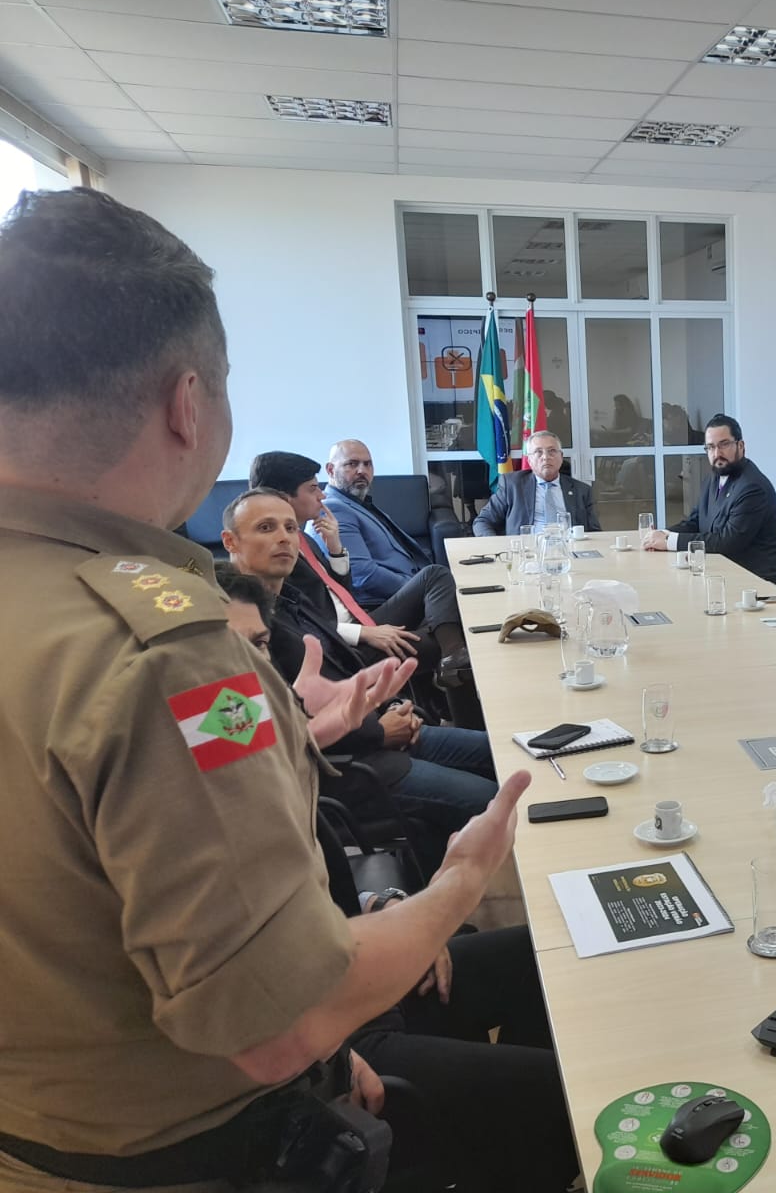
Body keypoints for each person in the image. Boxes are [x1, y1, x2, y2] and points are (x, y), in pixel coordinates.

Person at [0, 186, 527, 1190]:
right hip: (192, 1157)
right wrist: (462, 881)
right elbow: (277, 1029)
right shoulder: (160, 652)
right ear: (187, 403)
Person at [219, 570, 578, 1192]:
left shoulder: (255, 758)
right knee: (565, 1087)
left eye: (255, 646)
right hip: (331, 1036)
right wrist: (452, 890)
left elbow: (322, 891)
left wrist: (395, 910)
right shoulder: (192, 802)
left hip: (348, 979)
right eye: (229, 650)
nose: (252, 671)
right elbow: (235, 994)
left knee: (543, 955)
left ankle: (513, 1149)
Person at [222, 491, 498, 828]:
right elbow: (259, 737)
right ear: (231, 542)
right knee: (494, 796)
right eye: (266, 528)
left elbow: (347, 667)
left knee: (504, 753)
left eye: (291, 528)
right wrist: (380, 732)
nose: (283, 537)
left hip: (383, 732)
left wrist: (392, 706)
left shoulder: (291, 597)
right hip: (356, 767)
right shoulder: (240, 626)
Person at [249, 450, 476, 724]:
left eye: (368, 463)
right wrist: (365, 633)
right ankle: (467, 723)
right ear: (285, 498)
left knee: (437, 586)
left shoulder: (303, 537)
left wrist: (335, 549)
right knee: (451, 638)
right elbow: (304, 624)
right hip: (344, 647)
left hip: (355, 621)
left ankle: (448, 681)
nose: (321, 495)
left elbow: (339, 591)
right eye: (312, 489)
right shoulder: (277, 555)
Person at [642, 413, 776, 583]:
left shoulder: (752, 487)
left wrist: (669, 542)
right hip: (724, 572)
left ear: (740, 446)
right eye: (710, 447)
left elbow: (727, 542)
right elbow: (695, 521)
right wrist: (663, 533)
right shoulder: (713, 478)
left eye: (724, 445)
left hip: (758, 580)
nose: (717, 453)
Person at [323, 437, 461, 608]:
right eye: (352, 464)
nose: (362, 470)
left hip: (412, 584)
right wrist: (418, 588)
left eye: (368, 464)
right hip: (381, 603)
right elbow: (363, 575)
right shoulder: (333, 509)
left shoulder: (356, 503)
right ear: (330, 470)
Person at [472, 430, 601, 537]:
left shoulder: (581, 490)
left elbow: (595, 533)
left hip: (568, 550)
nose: (545, 457)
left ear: (561, 457)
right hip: (527, 553)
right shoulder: (512, 485)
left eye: (552, 451)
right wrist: (498, 547)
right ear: (529, 460)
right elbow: (482, 522)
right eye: (538, 452)